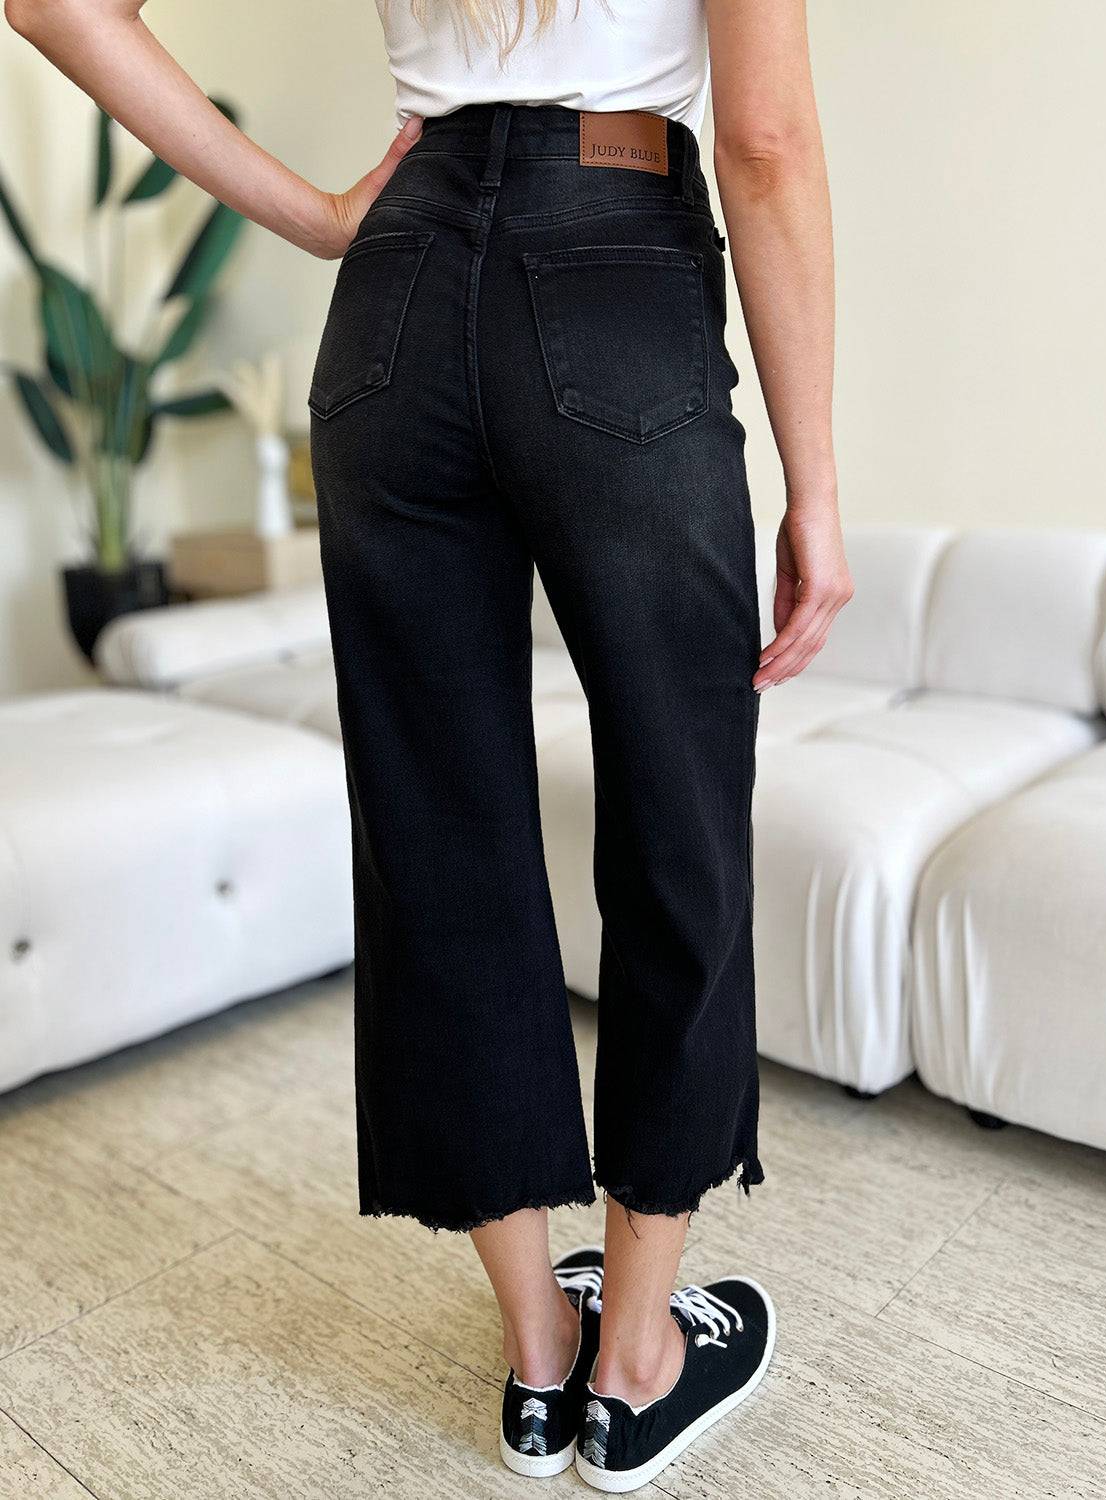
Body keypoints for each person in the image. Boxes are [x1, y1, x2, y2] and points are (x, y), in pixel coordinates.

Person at [8, 0, 852, 1487]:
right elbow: (767, 146)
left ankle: (538, 1356)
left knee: (436, 835)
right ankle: (638, 1355)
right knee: (680, 818)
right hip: (619, 274)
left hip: (394, 296)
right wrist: (819, 492)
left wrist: (323, 216)